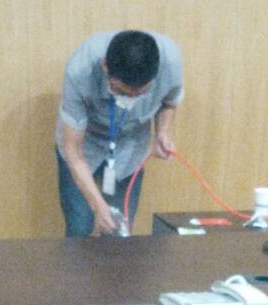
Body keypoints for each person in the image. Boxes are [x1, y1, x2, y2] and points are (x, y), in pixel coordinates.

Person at [55, 30, 183, 237]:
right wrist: (98, 206)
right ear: (105, 66)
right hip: (85, 141)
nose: (130, 99)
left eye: (141, 93)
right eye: (122, 91)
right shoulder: (80, 70)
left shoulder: (170, 62)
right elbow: (73, 152)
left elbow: (169, 101)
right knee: (80, 225)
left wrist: (162, 132)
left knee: (119, 229)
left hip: (130, 144)